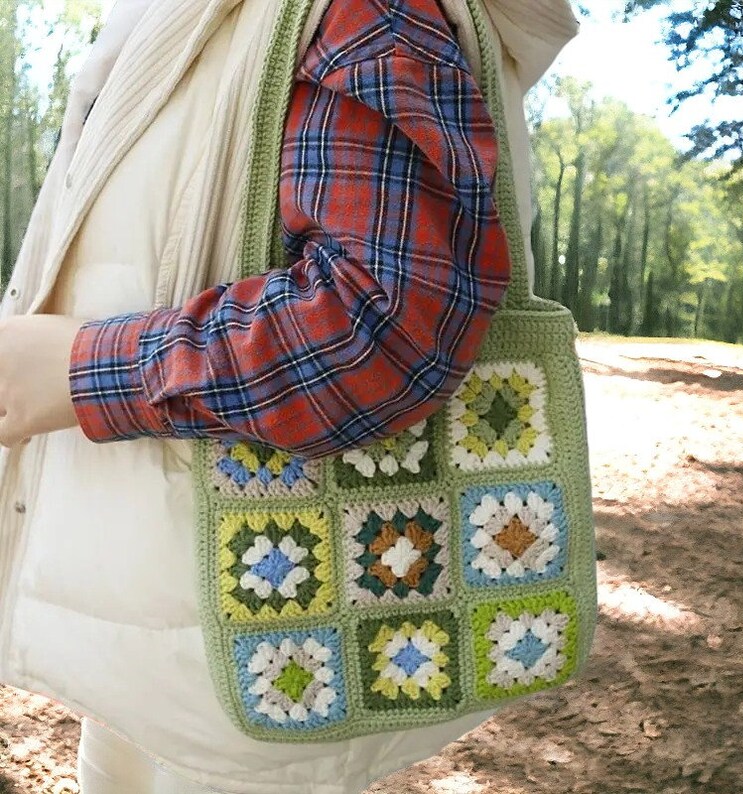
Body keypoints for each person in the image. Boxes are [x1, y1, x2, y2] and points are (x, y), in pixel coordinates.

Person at [0, 1, 579, 792]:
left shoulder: (363, 12)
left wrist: (84, 371)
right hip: (156, 608)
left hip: (253, 641)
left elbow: (378, 328)